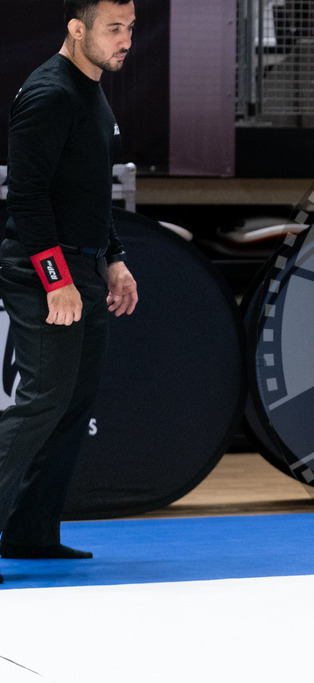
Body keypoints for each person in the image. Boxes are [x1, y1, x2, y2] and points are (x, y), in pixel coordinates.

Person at [0, 0, 139, 583]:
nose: (125, 39)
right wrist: (56, 280)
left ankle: (31, 532)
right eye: (113, 28)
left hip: (80, 265)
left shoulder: (93, 91)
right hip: (41, 271)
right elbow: (27, 197)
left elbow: (86, 193)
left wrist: (113, 259)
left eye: (130, 28)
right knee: (39, 404)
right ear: (76, 29)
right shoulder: (49, 93)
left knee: (72, 405)